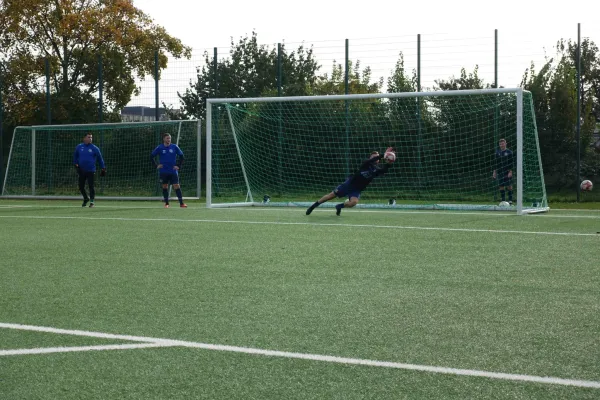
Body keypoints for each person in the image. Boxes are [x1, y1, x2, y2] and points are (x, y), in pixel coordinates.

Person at [306, 147, 394, 216]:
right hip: (349, 184)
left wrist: (388, 163)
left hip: (357, 190)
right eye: (373, 156)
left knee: (353, 203)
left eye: (376, 157)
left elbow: (383, 170)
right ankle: (313, 206)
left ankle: (339, 206)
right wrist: (383, 154)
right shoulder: (366, 164)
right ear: (371, 157)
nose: (375, 158)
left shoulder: (376, 170)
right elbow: (371, 160)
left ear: (378, 161)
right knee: (331, 195)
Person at [151, 133, 187, 208]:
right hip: (163, 171)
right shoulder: (159, 147)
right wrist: (156, 165)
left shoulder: (174, 147)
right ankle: (166, 203)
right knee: (164, 186)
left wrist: (178, 166)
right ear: (164, 139)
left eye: (169, 138)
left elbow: (182, 156)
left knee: (176, 185)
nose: (169, 140)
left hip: (173, 171)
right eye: (167, 138)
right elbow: (151, 156)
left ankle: (181, 203)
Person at [73, 133, 106, 208]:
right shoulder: (79, 147)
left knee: (91, 186)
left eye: (91, 137)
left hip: (91, 170)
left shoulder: (95, 148)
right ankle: (85, 198)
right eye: (89, 137)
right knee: (81, 186)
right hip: (81, 170)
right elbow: (75, 157)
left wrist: (103, 168)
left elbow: (100, 159)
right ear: (84, 138)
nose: (90, 139)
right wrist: (75, 164)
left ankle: (92, 202)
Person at [493, 138, 514, 204]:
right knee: (501, 186)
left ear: (505, 144)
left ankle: (510, 200)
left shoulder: (509, 152)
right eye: (500, 144)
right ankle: (503, 201)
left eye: (502, 143)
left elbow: (512, 162)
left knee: (509, 185)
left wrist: (510, 171)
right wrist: (494, 172)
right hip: (500, 171)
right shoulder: (497, 152)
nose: (501, 145)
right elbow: (495, 163)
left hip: (507, 171)